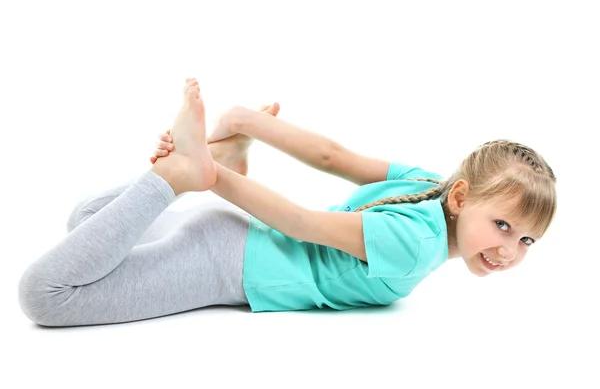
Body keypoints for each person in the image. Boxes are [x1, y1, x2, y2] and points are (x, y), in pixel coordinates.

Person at [17, 78, 558, 327]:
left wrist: (250, 125)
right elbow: (301, 223)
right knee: (47, 296)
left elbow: (331, 155)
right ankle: (187, 170)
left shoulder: (431, 183)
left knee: (88, 225)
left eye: (527, 239)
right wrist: (207, 179)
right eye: (504, 225)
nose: (510, 249)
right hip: (224, 264)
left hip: (227, 236)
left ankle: (207, 162)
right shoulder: (415, 245)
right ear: (463, 197)